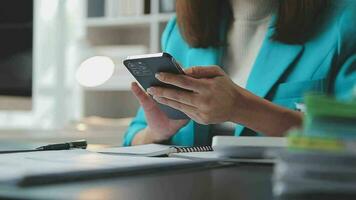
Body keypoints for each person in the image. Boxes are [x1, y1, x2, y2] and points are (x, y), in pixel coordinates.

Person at [123, 0, 356, 146]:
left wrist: (241, 107)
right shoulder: (180, 29)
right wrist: (155, 132)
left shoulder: (345, 20)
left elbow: (349, 135)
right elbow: (133, 136)